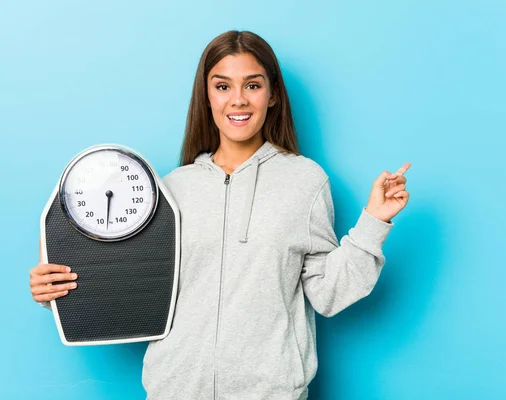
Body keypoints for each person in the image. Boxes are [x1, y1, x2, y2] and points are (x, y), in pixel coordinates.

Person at [29, 30, 411, 399]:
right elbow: (134, 284)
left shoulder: (305, 182)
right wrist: (57, 293)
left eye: (253, 85)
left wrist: (374, 221)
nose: (238, 100)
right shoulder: (170, 189)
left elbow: (329, 294)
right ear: (207, 96)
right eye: (223, 86)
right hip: (174, 390)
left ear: (273, 94)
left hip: (270, 393)